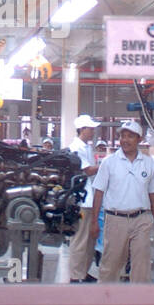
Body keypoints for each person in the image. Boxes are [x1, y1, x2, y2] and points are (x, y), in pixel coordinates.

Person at [91, 120, 154, 283]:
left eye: (130, 136)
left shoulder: (148, 163)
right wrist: (94, 222)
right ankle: (105, 301)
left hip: (142, 220)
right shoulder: (109, 162)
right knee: (111, 264)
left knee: (141, 266)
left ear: (139, 139)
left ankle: (139, 303)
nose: (125, 140)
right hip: (116, 220)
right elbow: (98, 193)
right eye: (122, 136)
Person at [64, 113, 101, 283]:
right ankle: (75, 276)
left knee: (90, 239)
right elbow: (88, 170)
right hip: (82, 200)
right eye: (90, 129)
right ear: (82, 129)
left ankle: (83, 272)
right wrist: (106, 164)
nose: (93, 131)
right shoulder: (76, 148)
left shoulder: (86, 147)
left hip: (90, 198)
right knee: (80, 239)